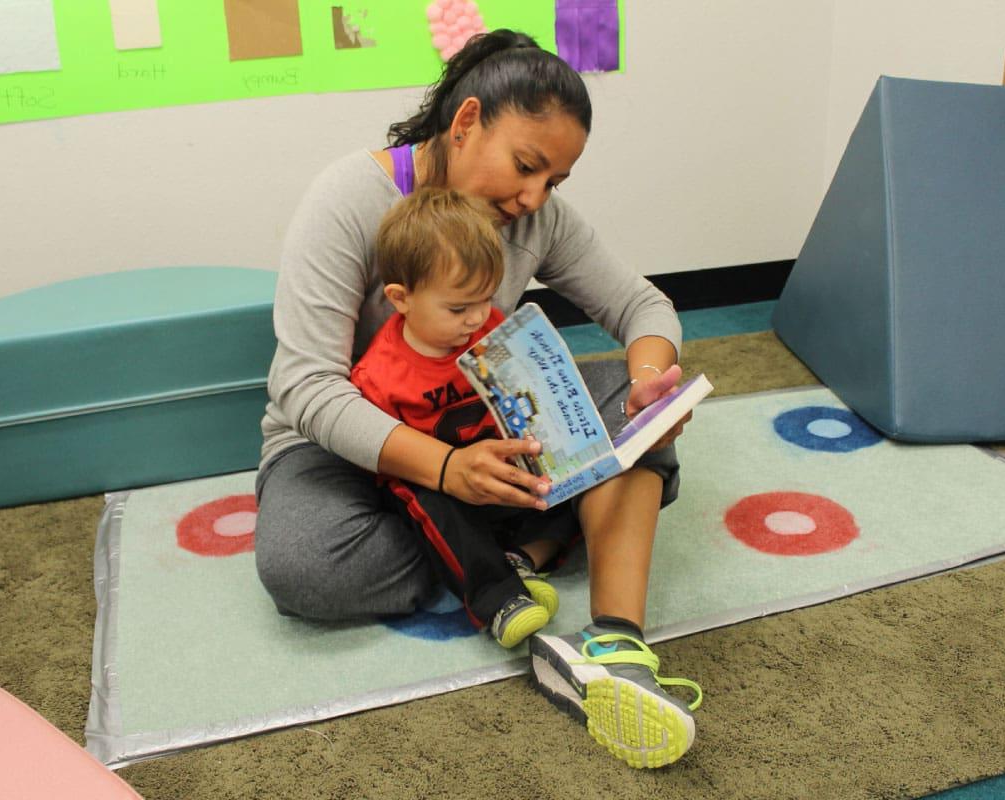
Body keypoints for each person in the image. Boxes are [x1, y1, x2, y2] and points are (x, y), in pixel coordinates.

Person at [256, 29, 702, 768]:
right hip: (350, 448)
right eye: (527, 166)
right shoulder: (348, 197)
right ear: (465, 124)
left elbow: (642, 307)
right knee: (304, 568)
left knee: (637, 409)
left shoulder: (533, 216)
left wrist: (653, 375)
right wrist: (444, 470)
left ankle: (616, 645)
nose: (533, 197)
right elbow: (306, 386)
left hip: (488, 426)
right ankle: (538, 540)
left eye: (554, 180)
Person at [350, 186, 566, 649]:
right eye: (457, 308)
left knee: (575, 481)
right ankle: (499, 598)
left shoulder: (490, 330)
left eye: (484, 300)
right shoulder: (379, 374)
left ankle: (522, 558)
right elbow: (381, 459)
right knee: (429, 503)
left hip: (501, 467)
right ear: (400, 298)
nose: (475, 319)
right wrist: (445, 472)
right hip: (436, 482)